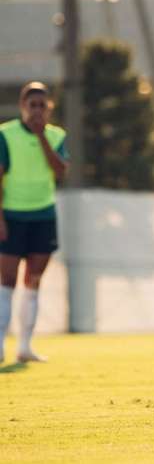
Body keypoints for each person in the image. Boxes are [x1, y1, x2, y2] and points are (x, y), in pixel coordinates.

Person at [0, 82, 68, 364]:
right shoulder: (5, 134)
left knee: (34, 281)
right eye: (32, 104)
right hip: (13, 216)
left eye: (42, 105)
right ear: (22, 107)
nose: (37, 110)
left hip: (43, 216)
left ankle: (25, 346)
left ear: (49, 108)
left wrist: (41, 138)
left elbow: (60, 172)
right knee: (6, 282)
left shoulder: (56, 136)